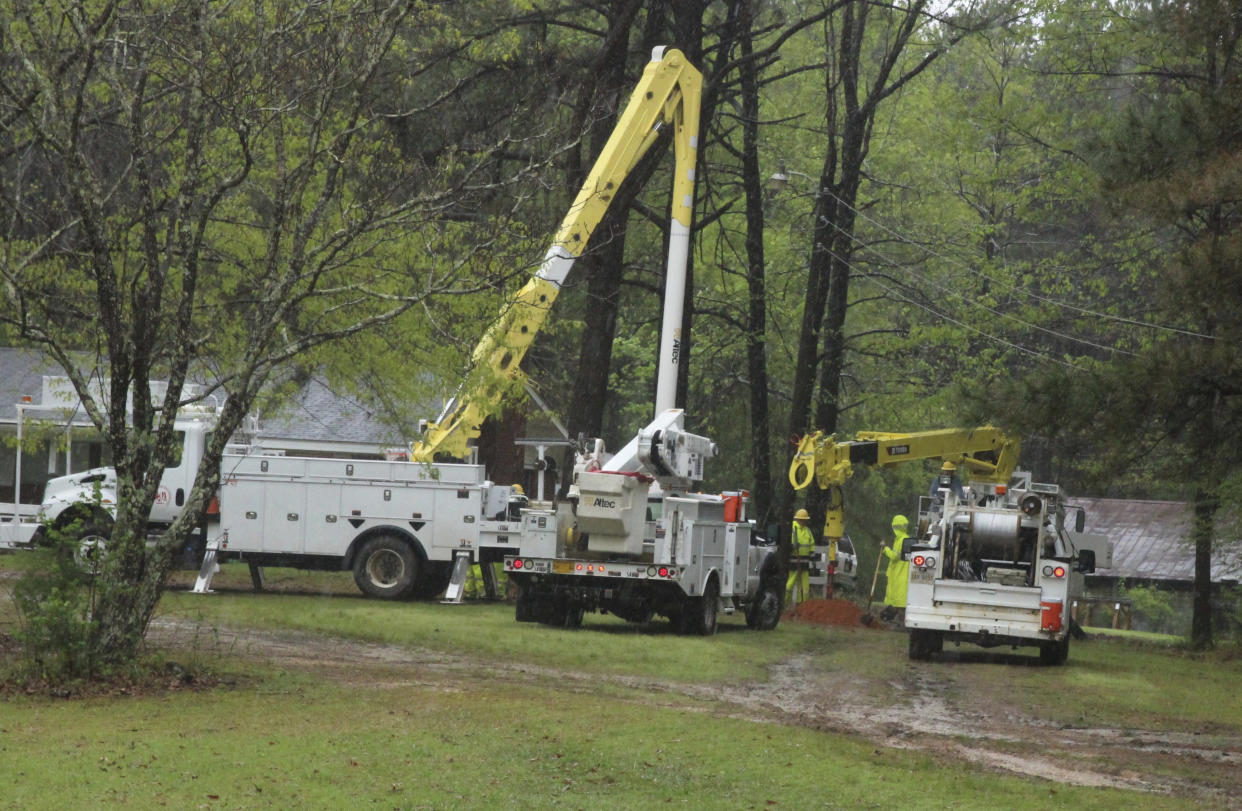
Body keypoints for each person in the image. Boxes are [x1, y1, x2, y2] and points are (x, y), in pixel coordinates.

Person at [881, 514, 910, 624]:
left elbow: (894, 556)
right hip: (900, 572)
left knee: (900, 599)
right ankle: (896, 618)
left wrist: (885, 548)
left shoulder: (902, 540)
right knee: (899, 599)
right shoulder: (902, 539)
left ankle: (900, 620)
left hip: (900, 573)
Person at [786, 508, 815, 608]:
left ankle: (803, 605)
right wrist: (792, 547)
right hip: (794, 561)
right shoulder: (792, 528)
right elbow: (788, 543)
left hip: (804, 562)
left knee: (804, 585)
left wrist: (812, 556)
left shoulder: (808, 531)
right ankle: (784, 603)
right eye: (802, 519)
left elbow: (811, 544)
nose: (803, 521)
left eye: (805, 520)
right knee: (790, 584)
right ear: (798, 519)